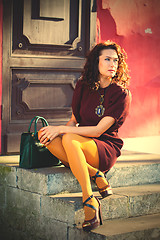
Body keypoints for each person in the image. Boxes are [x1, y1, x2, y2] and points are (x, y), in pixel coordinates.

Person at [38, 40, 131, 231]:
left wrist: (62, 130)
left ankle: (89, 199)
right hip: (79, 142)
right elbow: (73, 121)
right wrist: (56, 131)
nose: (113, 64)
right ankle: (94, 173)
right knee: (45, 134)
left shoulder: (121, 94)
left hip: (104, 147)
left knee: (68, 137)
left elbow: (97, 131)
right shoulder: (82, 86)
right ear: (95, 62)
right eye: (107, 59)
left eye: (116, 60)